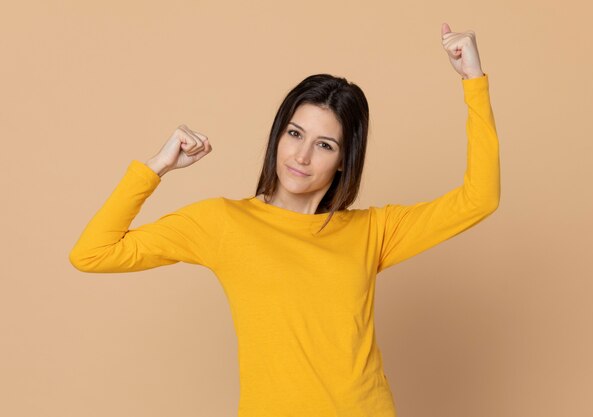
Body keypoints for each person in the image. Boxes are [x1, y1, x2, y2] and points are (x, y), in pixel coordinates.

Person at [69, 22, 500, 417]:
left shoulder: (372, 231)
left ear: (343, 161)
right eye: (295, 134)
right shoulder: (223, 222)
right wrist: (155, 168)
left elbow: (479, 199)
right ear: (279, 134)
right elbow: (92, 254)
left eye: (325, 145)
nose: (301, 156)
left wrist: (473, 81)